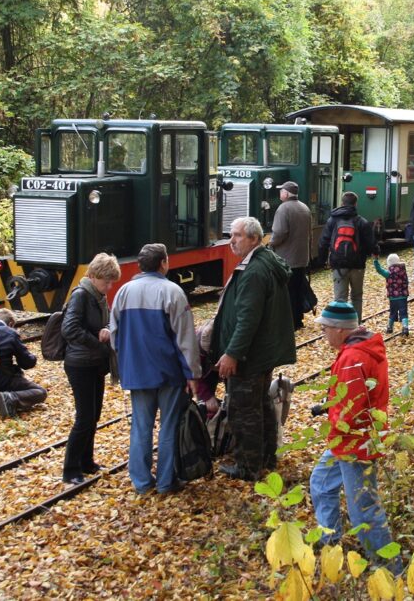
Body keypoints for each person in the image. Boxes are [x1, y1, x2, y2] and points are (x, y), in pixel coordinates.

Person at [309, 301, 402, 574]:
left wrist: (333, 421)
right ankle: (330, 543)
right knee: (322, 483)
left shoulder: (352, 357)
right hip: (349, 440)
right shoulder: (354, 350)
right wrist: (327, 405)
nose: (322, 332)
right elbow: (353, 396)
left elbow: (350, 412)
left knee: (364, 508)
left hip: (354, 444)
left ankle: (389, 569)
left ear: (339, 330)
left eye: (325, 328)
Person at [110, 244, 200, 495]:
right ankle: (166, 481)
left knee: (141, 425)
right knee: (169, 425)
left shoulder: (123, 292)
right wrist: (192, 373)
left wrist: (126, 364)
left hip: (137, 372)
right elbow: (185, 339)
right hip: (168, 371)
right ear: (163, 263)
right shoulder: (172, 291)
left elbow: (115, 336)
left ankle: (141, 481)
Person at [213, 217, 296, 481]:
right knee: (261, 405)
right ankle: (266, 458)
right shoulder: (264, 262)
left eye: (237, 235)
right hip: (261, 353)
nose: (231, 241)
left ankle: (248, 466)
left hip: (250, 356)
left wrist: (232, 353)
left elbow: (248, 318)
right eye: (231, 235)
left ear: (253, 239)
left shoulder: (255, 272)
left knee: (244, 411)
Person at [61, 253, 120, 485]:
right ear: (94, 276)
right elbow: (70, 329)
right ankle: (70, 468)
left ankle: (87, 461)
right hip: (80, 363)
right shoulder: (82, 295)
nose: (110, 286)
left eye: (112, 281)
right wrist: (98, 343)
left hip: (95, 363)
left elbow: (104, 321)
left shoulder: (98, 295)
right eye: (107, 281)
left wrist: (107, 328)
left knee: (93, 415)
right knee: (84, 417)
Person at [317, 191, 377, 321]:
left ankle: (341, 326)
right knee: (357, 296)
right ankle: (356, 325)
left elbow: (323, 242)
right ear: (355, 204)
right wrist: (374, 253)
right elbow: (371, 244)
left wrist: (321, 261)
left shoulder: (332, 220)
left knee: (340, 298)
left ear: (342, 203)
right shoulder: (362, 221)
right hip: (357, 265)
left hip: (338, 265)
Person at [269, 181, 313, 330]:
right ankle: (298, 319)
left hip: (286, 258)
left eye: (281, 191)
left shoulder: (283, 209)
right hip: (301, 257)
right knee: (298, 290)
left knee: (287, 292)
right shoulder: (304, 208)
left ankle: (289, 322)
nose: (280, 193)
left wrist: (271, 244)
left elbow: (279, 233)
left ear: (286, 193)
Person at [373, 253, 409, 335]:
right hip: (403, 296)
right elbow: (407, 282)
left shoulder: (389, 273)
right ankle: (405, 327)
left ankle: (389, 328)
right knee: (404, 312)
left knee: (393, 312)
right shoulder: (403, 271)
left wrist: (375, 260)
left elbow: (379, 270)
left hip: (393, 298)